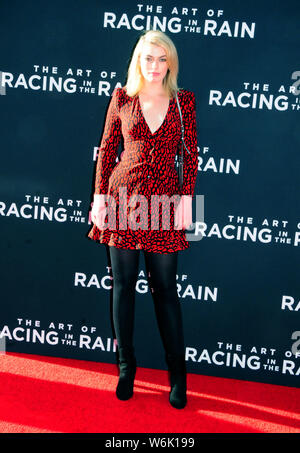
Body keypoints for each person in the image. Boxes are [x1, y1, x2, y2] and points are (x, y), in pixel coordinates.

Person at [88, 29, 198, 409]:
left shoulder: (184, 101)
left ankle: (178, 376)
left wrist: (187, 201)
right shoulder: (122, 97)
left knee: (166, 291)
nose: (155, 66)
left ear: (171, 63)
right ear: (138, 60)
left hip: (165, 204)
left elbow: (192, 155)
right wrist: (99, 196)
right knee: (123, 285)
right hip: (123, 198)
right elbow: (106, 151)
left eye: (162, 58)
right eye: (148, 58)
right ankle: (125, 368)